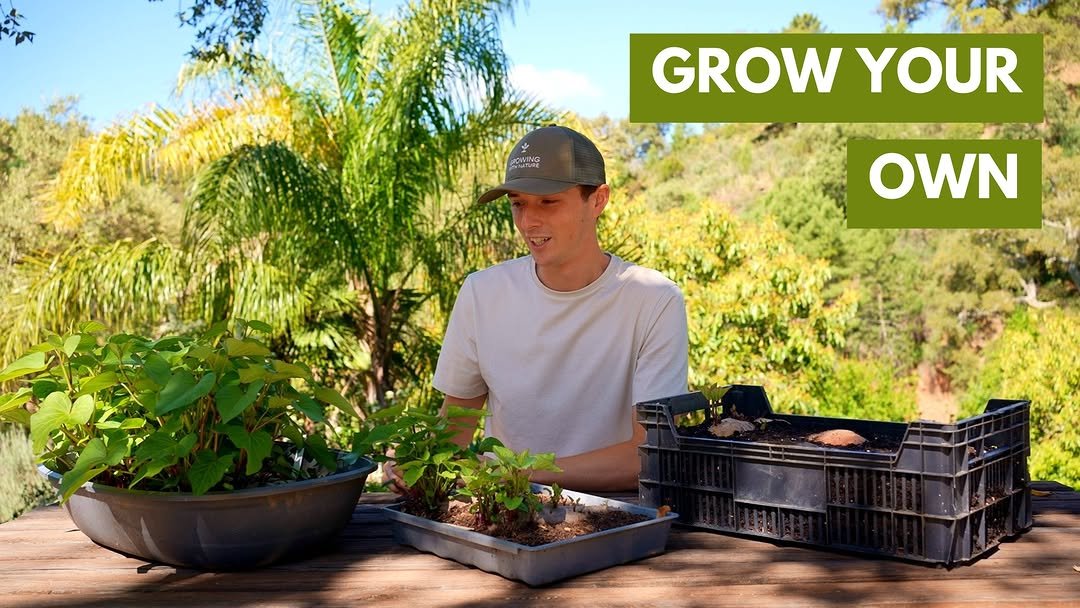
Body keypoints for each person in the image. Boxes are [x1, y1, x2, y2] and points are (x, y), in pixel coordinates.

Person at [392, 125, 689, 492]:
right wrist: (414, 465)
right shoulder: (482, 293)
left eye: (548, 202)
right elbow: (454, 432)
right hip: (502, 511)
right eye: (518, 203)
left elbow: (648, 454)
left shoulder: (654, 299)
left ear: (598, 200)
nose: (528, 222)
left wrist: (521, 473)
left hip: (618, 514)